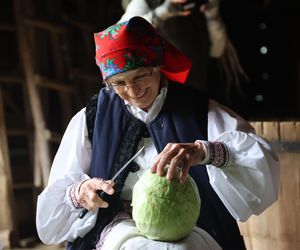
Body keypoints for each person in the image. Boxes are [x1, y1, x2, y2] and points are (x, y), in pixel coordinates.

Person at [36, 16, 279, 250]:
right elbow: (56, 200)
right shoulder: (93, 117)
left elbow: (259, 162)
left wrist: (204, 152)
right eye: (119, 83)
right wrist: (80, 192)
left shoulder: (198, 110)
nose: (133, 90)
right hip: (116, 225)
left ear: (157, 66)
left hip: (190, 225)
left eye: (140, 76)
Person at [119, 0, 248, 104]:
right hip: (161, 96)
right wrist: (161, 13)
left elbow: (217, 51)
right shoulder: (146, 2)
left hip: (196, 91)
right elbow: (122, 36)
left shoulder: (198, 5)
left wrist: (212, 14)